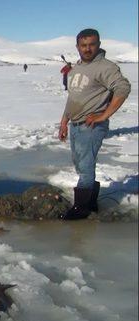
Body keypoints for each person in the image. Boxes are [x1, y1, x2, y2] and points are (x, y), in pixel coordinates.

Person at [58, 28, 131, 220]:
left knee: (86, 166)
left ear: (98, 45)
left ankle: (81, 209)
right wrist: (64, 121)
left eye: (92, 44)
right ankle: (90, 203)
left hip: (91, 126)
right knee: (81, 165)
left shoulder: (105, 67)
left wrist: (103, 115)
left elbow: (123, 88)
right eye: (83, 45)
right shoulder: (76, 69)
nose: (87, 49)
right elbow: (73, 98)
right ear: (77, 47)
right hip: (75, 124)